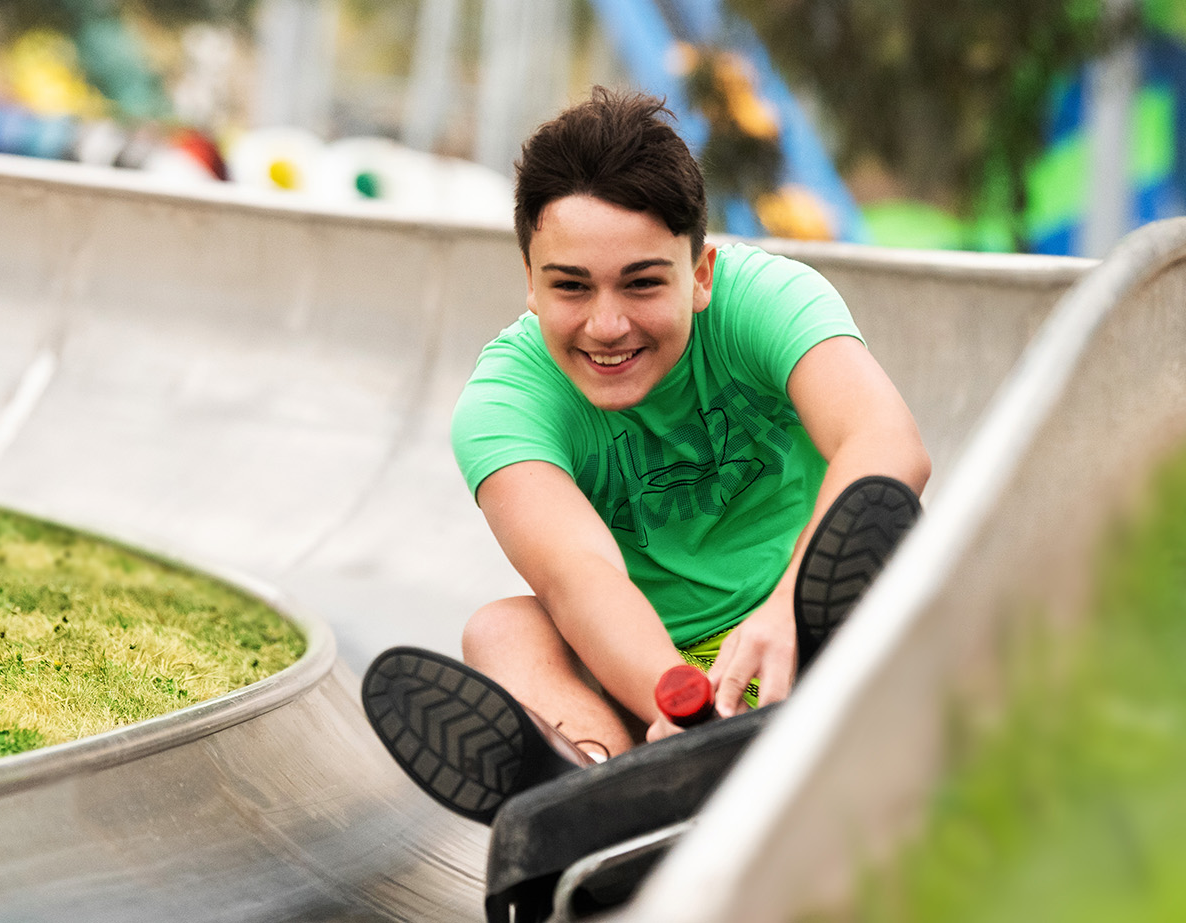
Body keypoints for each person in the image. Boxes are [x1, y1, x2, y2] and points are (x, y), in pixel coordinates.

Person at [361, 87, 929, 823]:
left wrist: (789, 608)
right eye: (570, 286)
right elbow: (579, 578)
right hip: (654, 678)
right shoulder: (504, 403)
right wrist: (681, 706)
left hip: (807, 626)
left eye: (641, 283)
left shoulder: (766, 300)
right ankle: (596, 785)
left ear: (699, 275)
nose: (606, 324)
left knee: (889, 544)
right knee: (503, 629)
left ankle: (792, 730)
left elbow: (887, 442)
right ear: (530, 284)